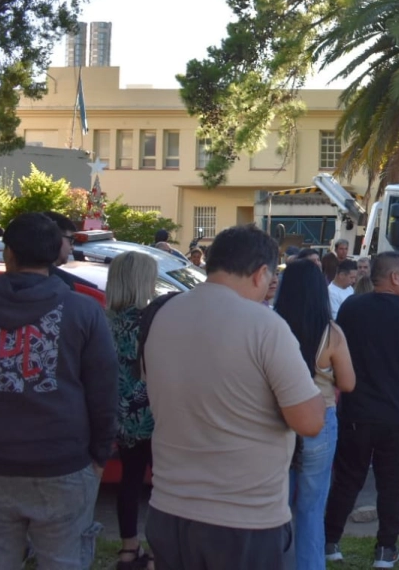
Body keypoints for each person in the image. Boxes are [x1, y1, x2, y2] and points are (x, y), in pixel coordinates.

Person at [0, 213, 118, 570]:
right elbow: (104, 391)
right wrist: (100, 453)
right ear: (54, 256)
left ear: (8, 254)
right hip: (62, 463)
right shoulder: (82, 311)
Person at [142, 225, 324, 570]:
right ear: (260, 274)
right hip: (243, 520)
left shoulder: (164, 314)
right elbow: (309, 421)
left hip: (168, 510)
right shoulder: (264, 325)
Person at [324, 253, 399, 568]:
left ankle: (329, 541)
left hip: (357, 411)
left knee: (347, 480)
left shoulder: (351, 308)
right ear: (393, 277)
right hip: (397, 414)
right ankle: (386, 549)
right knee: (392, 485)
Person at [273, 260, 357, 570]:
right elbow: (348, 383)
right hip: (319, 423)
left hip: (277, 422)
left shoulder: (271, 324)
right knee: (311, 507)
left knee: (277, 506)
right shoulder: (331, 332)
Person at [106, 251, 159, 570]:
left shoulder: (103, 319)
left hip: (121, 416)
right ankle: (156, 552)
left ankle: (128, 549)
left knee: (130, 480)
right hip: (154, 413)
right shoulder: (150, 320)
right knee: (162, 486)